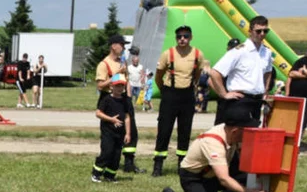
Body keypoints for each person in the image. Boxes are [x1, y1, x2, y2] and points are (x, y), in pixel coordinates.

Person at [157, 104, 266, 192]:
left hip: (211, 174)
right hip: (194, 177)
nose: (250, 132)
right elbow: (224, 179)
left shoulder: (232, 134)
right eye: (247, 129)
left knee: (245, 179)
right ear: (235, 131)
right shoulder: (214, 143)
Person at [152, 25, 208, 176]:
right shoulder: (168, 54)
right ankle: (158, 166)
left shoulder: (197, 54)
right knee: (164, 130)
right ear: (176, 38)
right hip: (170, 94)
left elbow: (197, 74)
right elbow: (158, 75)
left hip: (187, 95)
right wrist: (164, 90)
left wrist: (193, 88)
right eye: (179, 36)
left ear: (191, 37)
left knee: (185, 130)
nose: (182, 39)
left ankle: (182, 165)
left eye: (186, 36)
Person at [210, 16, 273, 125]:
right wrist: (224, 94)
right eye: (258, 31)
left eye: (265, 31)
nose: (262, 34)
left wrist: (266, 90)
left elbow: (268, 71)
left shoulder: (267, 52)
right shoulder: (239, 51)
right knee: (236, 136)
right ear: (250, 31)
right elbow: (215, 72)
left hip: (257, 100)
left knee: (252, 135)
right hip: (240, 100)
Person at [97, 34, 144, 173]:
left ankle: (129, 163)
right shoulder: (104, 64)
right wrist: (117, 73)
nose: (124, 48)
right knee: (111, 133)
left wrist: (128, 99)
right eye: (122, 45)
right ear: (113, 46)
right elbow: (100, 86)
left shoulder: (122, 62)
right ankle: (105, 161)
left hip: (123, 99)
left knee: (131, 132)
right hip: (109, 98)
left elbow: (127, 81)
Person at [92, 73, 131, 183]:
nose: (119, 88)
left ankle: (110, 175)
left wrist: (128, 133)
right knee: (107, 152)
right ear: (111, 86)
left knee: (116, 155)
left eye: (122, 86)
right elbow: (98, 113)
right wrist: (111, 119)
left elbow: (127, 117)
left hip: (120, 133)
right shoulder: (106, 99)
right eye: (117, 85)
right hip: (108, 132)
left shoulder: (125, 101)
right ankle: (96, 173)